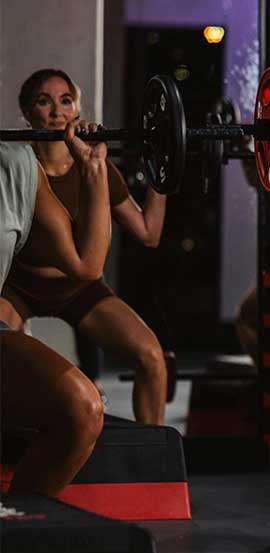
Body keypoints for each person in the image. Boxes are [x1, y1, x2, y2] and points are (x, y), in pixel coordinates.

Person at [0, 69, 169, 424]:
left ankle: (152, 464)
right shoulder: (18, 170)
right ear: (27, 110)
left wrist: (162, 173)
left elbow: (148, 232)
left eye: (65, 101)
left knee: (151, 356)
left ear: (77, 109)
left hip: (80, 289)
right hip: (19, 287)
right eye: (44, 101)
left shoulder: (97, 168)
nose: (56, 110)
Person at [0, 119, 107, 497]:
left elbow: (86, 265)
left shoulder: (15, 165)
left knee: (82, 408)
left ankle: (15, 531)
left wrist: (93, 168)